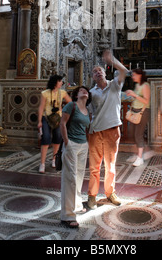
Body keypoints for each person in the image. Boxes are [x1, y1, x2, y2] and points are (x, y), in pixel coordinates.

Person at [87, 49, 127, 209]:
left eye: (100, 70)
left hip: (112, 130)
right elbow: (89, 113)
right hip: (95, 131)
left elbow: (124, 71)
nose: (98, 73)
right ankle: (92, 195)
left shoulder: (115, 85)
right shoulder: (91, 92)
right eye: (95, 72)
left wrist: (112, 60)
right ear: (93, 77)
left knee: (110, 165)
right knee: (94, 166)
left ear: (105, 73)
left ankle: (110, 193)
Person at [60, 86, 91, 228]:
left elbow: (85, 128)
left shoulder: (87, 111)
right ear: (76, 95)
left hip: (83, 145)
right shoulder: (71, 105)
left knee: (79, 176)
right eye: (81, 90)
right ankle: (67, 215)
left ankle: (77, 204)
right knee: (70, 178)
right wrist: (67, 142)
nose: (84, 91)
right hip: (71, 143)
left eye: (86, 91)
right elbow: (63, 124)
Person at [37, 75, 71, 173]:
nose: (62, 83)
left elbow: (70, 103)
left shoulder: (63, 93)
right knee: (46, 138)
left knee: (57, 138)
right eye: (60, 81)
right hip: (46, 117)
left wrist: (62, 110)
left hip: (58, 118)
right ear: (55, 82)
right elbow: (41, 107)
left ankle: (54, 159)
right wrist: (39, 121)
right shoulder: (45, 93)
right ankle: (42, 163)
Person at [125, 68, 151, 166]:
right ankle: (140, 153)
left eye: (134, 75)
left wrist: (134, 95)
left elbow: (146, 101)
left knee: (138, 134)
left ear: (140, 75)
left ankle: (140, 157)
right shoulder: (137, 85)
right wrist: (131, 94)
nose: (132, 77)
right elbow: (137, 97)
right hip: (135, 111)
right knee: (131, 133)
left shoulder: (145, 85)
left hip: (142, 112)